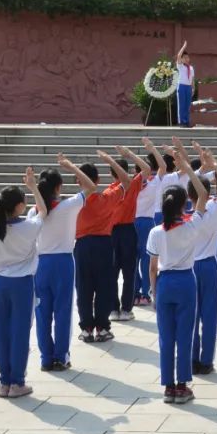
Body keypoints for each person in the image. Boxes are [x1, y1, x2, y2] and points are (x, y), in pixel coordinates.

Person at [147, 139, 216, 405]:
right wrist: (187, 167)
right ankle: (182, 385)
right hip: (186, 281)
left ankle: (168, 387)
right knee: (185, 335)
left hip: (164, 283)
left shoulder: (155, 232)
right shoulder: (190, 227)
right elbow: (203, 196)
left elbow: (152, 267)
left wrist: (154, 291)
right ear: (182, 205)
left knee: (166, 337)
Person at [0, 168, 47, 398]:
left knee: (1, 333)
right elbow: (43, 211)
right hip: (22, 284)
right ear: (19, 206)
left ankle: (4, 382)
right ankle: (17, 382)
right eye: (24, 200)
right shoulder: (29, 228)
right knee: (19, 332)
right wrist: (33, 186)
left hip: (1, 284)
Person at [34, 155, 96, 372]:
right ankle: (61, 356)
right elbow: (91, 186)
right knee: (62, 311)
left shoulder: (35, 212)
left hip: (40, 264)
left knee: (42, 312)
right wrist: (71, 166)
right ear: (59, 187)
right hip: (62, 263)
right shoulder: (68, 206)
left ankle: (45, 358)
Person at [74, 150, 141, 344]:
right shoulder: (107, 197)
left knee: (84, 287)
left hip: (83, 245)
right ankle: (102, 327)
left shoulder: (75, 202)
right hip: (104, 244)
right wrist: (110, 160)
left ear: (79, 182)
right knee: (105, 285)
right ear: (97, 179)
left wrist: (71, 167)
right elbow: (126, 183)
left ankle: (86, 327)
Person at [191, 154, 217, 374]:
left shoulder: (185, 215)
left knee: (192, 316)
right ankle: (206, 361)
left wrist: (192, 170)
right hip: (208, 266)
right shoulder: (214, 208)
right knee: (210, 315)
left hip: (189, 268)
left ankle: (192, 359)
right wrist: (216, 165)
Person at [110, 146, 152, 323]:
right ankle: (126, 309)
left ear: (112, 174)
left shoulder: (110, 190)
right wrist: (130, 155)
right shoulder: (133, 185)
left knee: (113, 272)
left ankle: (113, 308)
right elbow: (147, 170)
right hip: (128, 231)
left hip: (112, 233)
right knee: (129, 272)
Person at [135, 138, 168, 306]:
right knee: (146, 259)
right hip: (146, 223)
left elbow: (161, 167)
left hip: (134, 223)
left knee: (134, 259)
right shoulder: (153, 182)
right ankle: (145, 293)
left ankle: (136, 292)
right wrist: (152, 148)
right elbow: (163, 166)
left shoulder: (130, 185)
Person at [176, 42, 194, 128]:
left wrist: (193, 88)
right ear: (182, 59)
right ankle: (182, 122)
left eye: (188, 57)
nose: (187, 59)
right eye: (185, 58)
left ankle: (187, 121)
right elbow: (178, 56)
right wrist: (183, 47)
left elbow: (192, 79)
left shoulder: (191, 68)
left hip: (188, 87)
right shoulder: (180, 66)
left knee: (187, 105)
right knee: (182, 104)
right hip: (182, 86)